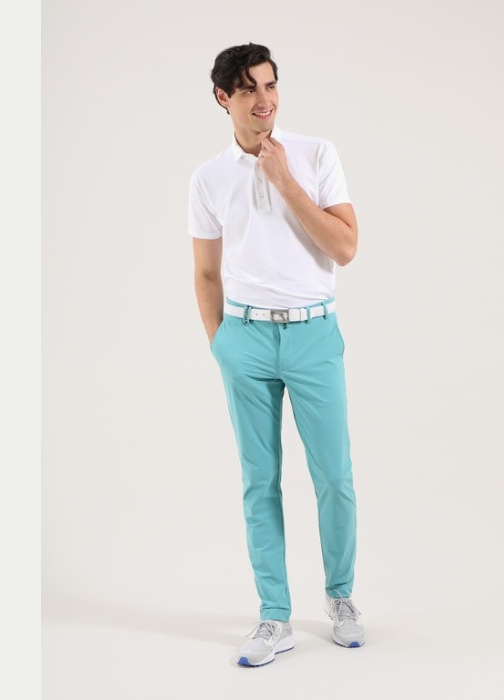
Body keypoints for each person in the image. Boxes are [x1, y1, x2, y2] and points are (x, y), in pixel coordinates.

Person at [189, 43, 365, 667]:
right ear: (223, 98)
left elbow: (345, 247)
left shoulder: (316, 154)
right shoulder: (208, 178)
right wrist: (222, 346)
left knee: (334, 476)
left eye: (270, 85)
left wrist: (284, 179)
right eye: (248, 90)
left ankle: (341, 597)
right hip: (247, 340)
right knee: (258, 480)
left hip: (314, 333)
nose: (264, 100)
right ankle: (273, 615)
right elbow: (205, 273)